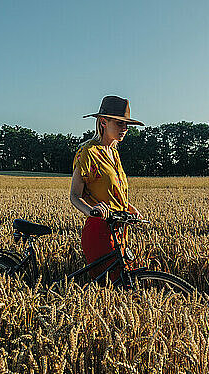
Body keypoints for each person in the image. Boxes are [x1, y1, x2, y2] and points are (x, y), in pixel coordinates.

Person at [69, 95, 144, 283]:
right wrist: (92, 211)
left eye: (127, 125)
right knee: (111, 289)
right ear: (103, 122)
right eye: (120, 123)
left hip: (119, 228)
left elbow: (110, 192)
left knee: (125, 283)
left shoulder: (114, 153)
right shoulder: (88, 152)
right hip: (100, 230)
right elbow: (75, 196)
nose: (125, 129)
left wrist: (127, 206)